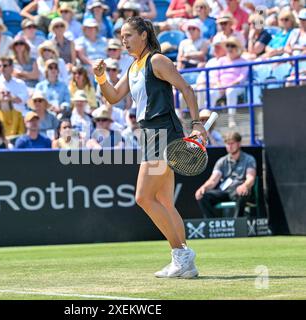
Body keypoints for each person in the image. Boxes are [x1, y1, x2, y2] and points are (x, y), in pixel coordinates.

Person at [93, 16, 207, 278]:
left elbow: (187, 89)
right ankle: (184, 261)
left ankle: (181, 255)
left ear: (144, 35)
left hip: (162, 133)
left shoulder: (157, 60)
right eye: (121, 36)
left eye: (128, 35)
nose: (124, 40)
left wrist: (197, 123)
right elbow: (113, 97)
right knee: (165, 200)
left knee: (143, 198)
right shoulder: (134, 66)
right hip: (150, 133)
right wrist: (100, 78)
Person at [195, 131, 256, 218]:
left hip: (239, 190)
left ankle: (236, 224)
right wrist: (203, 187)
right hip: (225, 191)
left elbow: (251, 178)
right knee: (202, 196)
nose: (229, 146)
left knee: (242, 193)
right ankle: (215, 224)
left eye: (232, 143)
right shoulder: (221, 161)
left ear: (239, 144)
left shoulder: (249, 159)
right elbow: (213, 180)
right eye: (227, 144)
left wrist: (245, 186)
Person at [209, 36, 248, 128]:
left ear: (238, 48)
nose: (230, 48)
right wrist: (219, 84)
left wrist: (227, 86)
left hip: (237, 87)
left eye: (232, 46)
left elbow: (241, 78)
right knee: (211, 93)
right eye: (228, 46)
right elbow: (215, 75)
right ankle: (209, 121)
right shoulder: (222, 60)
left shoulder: (244, 61)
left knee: (231, 91)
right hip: (221, 86)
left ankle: (231, 119)